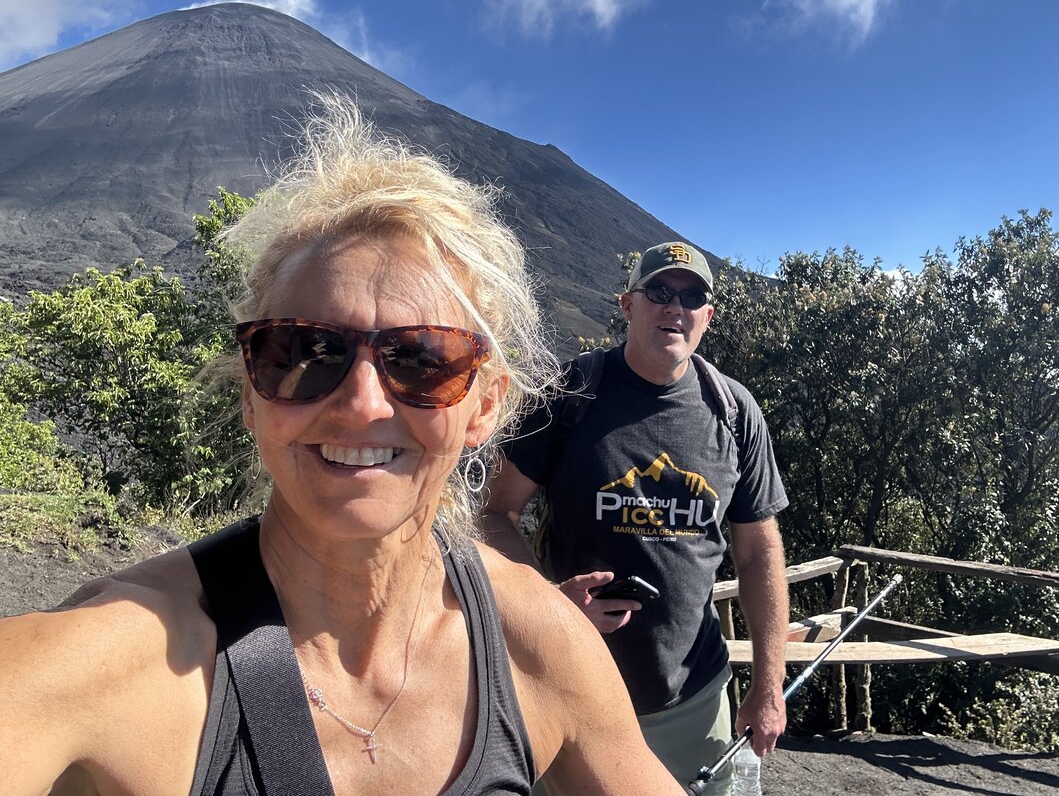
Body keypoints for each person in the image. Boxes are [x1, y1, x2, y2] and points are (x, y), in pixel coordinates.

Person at [0, 95, 687, 796]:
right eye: (304, 352)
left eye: (422, 360)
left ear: (485, 405)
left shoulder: (536, 641)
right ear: (251, 393)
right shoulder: (110, 660)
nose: (362, 405)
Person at [481, 241, 790, 794]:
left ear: (707, 316)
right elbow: (493, 512)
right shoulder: (568, 392)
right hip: (567, 689)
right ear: (628, 305)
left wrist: (768, 684)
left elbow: (759, 551)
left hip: (692, 701)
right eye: (660, 292)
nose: (675, 307)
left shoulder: (734, 412)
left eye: (691, 298)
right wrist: (548, 606)